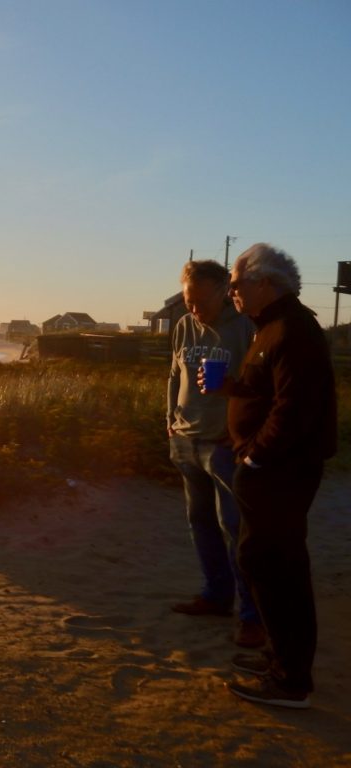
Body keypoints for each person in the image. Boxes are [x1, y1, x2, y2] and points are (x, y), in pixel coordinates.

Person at [222, 243, 337, 709]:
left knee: (277, 567)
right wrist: (235, 388)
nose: (232, 291)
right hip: (270, 469)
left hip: (279, 471)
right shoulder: (268, 328)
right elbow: (266, 390)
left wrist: (255, 457)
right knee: (263, 562)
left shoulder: (293, 329)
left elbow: (295, 408)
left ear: (265, 283)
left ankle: (290, 681)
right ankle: (279, 659)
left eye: (236, 283)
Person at [167, 260, 263, 648]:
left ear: (223, 290)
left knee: (235, 529)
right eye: (188, 300)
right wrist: (169, 419)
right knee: (201, 523)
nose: (193, 308)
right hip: (185, 440)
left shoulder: (245, 326)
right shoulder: (184, 326)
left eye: (199, 300)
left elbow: (262, 385)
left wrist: (244, 431)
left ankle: (252, 616)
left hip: (224, 446)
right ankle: (215, 595)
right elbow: (174, 375)